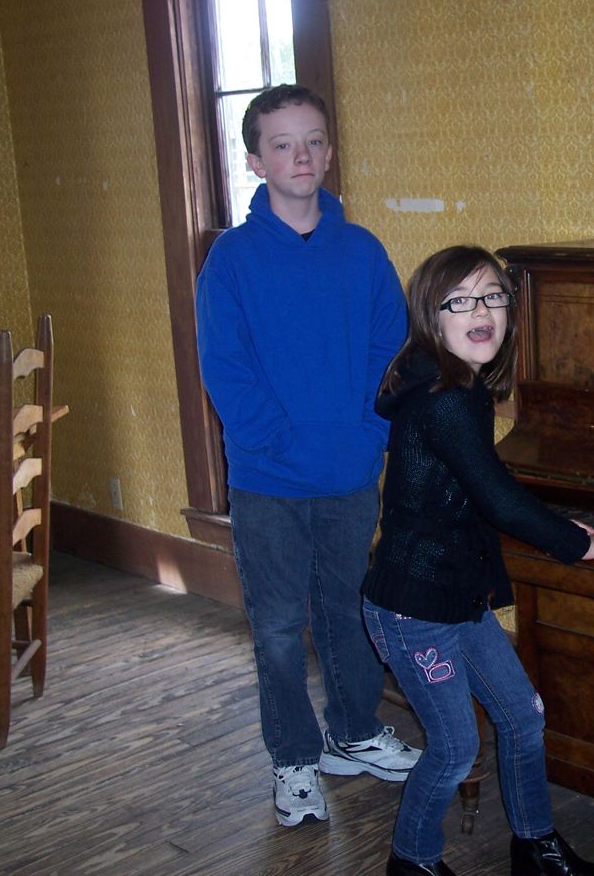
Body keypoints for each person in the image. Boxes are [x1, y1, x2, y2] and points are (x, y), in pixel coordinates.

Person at [360, 246, 594, 876]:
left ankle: (536, 849)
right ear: (430, 317)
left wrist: (561, 524)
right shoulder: (448, 398)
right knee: (456, 748)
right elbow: (498, 499)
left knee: (522, 717)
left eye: (491, 296)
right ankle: (413, 864)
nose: (480, 312)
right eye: (459, 301)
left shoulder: (457, 385)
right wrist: (576, 542)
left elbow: (484, 484)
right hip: (412, 607)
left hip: (456, 597)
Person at [196, 84, 420, 828]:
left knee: (349, 611)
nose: (302, 156)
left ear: (329, 152)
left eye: (314, 141)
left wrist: (368, 434)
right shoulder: (231, 260)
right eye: (284, 144)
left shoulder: (362, 252)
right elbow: (226, 369)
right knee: (276, 625)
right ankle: (293, 757)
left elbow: (389, 352)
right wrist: (281, 443)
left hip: (350, 471)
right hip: (269, 479)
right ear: (256, 161)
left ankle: (353, 733)